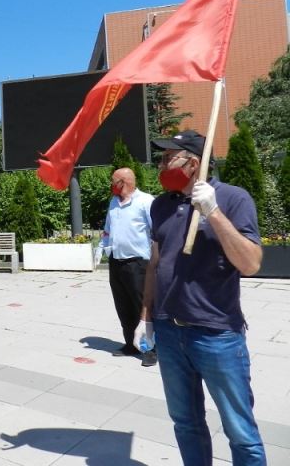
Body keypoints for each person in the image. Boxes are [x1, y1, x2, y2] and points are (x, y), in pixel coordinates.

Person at [135, 129, 266, 465]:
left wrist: (212, 212)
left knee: (241, 432)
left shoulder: (234, 199)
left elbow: (250, 264)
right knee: (186, 424)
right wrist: (146, 318)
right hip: (168, 331)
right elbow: (155, 263)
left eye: (168, 158)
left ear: (194, 163)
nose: (161, 164)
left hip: (216, 335)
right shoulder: (161, 206)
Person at [99, 167, 157, 367]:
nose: (111, 185)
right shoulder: (114, 203)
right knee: (123, 305)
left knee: (142, 305)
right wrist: (102, 250)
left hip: (138, 263)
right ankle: (130, 344)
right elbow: (108, 229)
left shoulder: (145, 201)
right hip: (116, 262)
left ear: (124, 182)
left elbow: (155, 230)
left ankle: (150, 349)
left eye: (113, 181)